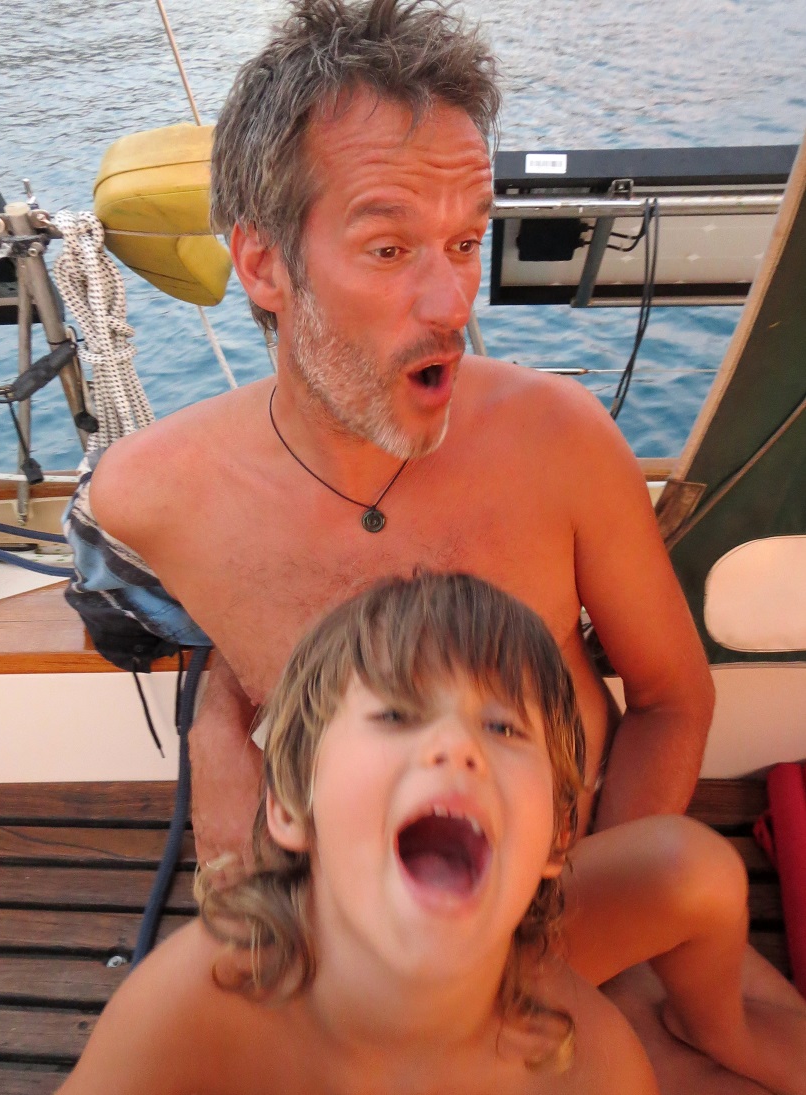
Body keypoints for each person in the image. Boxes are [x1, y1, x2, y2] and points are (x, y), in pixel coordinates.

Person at [66, 0, 714, 870]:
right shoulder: (143, 499)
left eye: (464, 242)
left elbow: (671, 699)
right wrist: (219, 715)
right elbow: (176, 620)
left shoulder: (562, 444)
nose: (452, 305)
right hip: (345, 908)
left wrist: (597, 906)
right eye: (387, 249)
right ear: (262, 263)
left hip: (570, 887)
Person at [56, 574, 806, 1095]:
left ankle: (715, 1027)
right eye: (395, 715)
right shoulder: (196, 1002)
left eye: (503, 728)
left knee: (692, 865)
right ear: (291, 808)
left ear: (556, 841)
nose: (457, 745)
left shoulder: (591, 1067)